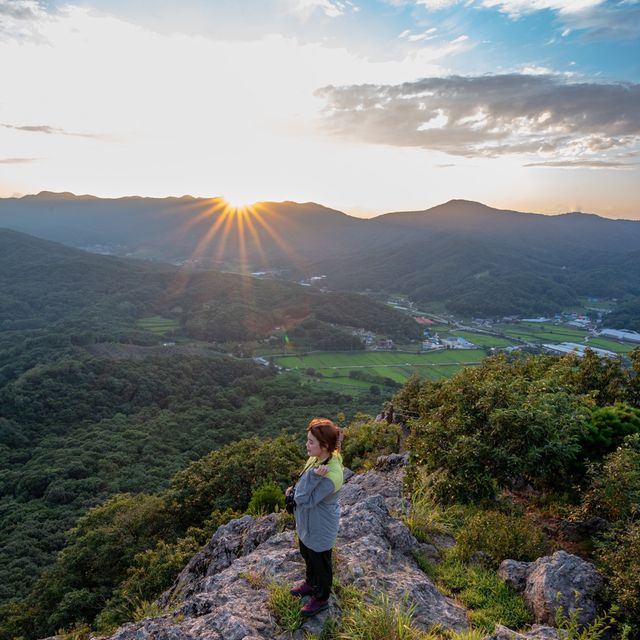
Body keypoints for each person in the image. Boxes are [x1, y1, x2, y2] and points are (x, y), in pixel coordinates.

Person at [286, 417, 344, 617]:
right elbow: (302, 485)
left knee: (321, 564)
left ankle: (321, 598)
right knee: (307, 554)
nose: (306, 445)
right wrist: (293, 489)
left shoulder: (332, 476)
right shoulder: (318, 458)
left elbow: (304, 499)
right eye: (308, 440)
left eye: (311, 442)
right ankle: (311, 584)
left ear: (325, 446)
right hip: (307, 523)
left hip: (320, 526)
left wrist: (311, 479)